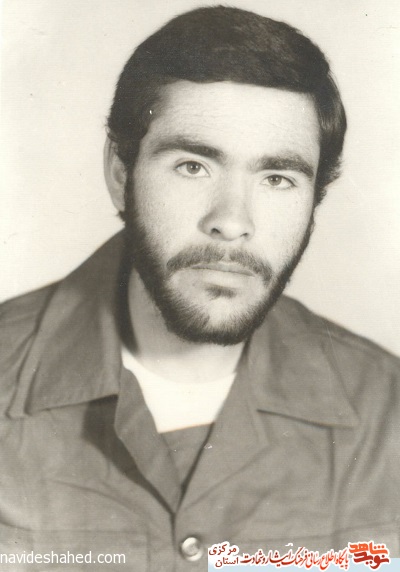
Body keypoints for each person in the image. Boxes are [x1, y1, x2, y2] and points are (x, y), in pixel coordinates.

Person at [0, 5, 399, 570]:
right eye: (193, 166)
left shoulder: (387, 413)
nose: (232, 222)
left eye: (278, 178)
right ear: (120, 172)